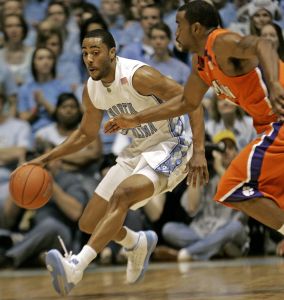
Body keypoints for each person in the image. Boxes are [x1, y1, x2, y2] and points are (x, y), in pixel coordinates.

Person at [22, 29, 191, 296]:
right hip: (139, 148)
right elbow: (86, 134)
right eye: (85, 53)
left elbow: (190, 101)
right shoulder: (92, 89)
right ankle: (136, 242)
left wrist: (201, 151)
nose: (89, 59)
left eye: (95, 52)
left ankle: (76, 266)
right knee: (88, 223)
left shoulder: (139, 75)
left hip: (172, 145)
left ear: (112, 53)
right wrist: (44, 159)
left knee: (122, 195)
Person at [105, 1, 284, 248]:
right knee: (267, 194)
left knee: (233, 187)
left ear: (197, 28)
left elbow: (263, 44)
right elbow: (186, 102)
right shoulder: (201, 62)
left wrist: (274, 83)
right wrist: (134, 119)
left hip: (279, 121)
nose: (176, 31)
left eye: (179, 25)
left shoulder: (221, 42)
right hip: (268, 126)